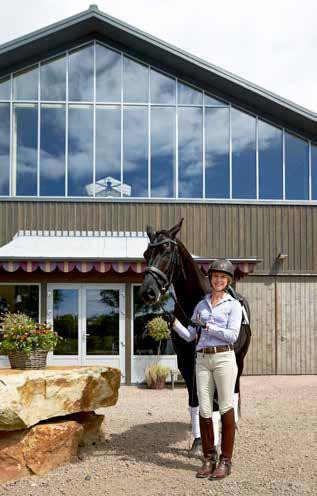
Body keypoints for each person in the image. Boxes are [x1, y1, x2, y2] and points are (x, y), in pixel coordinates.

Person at [171, 259, 242, 480]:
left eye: (222, 277)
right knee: (204, 409)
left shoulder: (233, 305)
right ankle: (209, 458)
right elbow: (191, 336)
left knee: (225, 407)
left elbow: (232, 335)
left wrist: (209, 326)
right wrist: (173, 323)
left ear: (228, 280)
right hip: (202, 359)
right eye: (215, 277)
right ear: (210, 279)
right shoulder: (201, 306)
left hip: (223, 358)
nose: (218, 280)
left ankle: (226, 461)